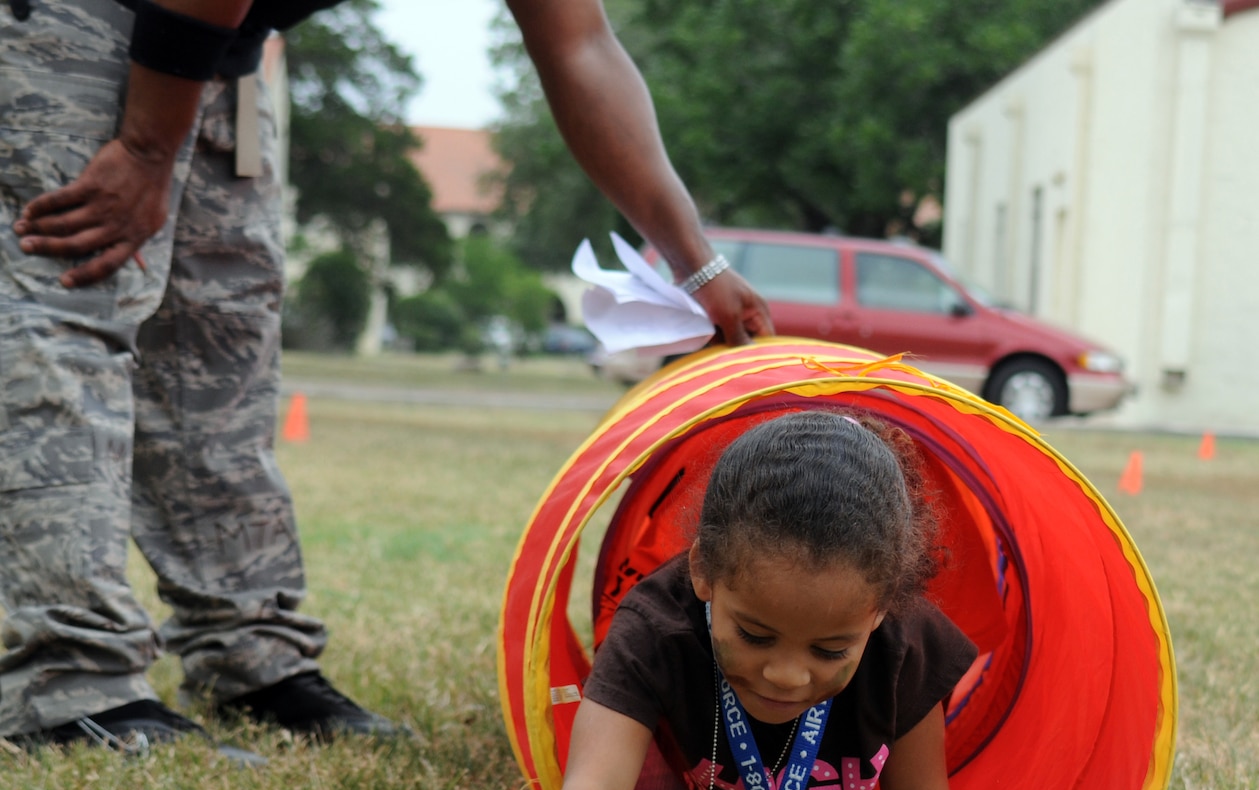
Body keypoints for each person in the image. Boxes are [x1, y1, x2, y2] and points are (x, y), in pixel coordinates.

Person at [1, 0, 772, 749]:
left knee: (222, 347)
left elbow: (580, 48)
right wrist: (143, 148)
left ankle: (252, 658)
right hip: (83, 22)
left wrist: (692, 258)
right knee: (72, 302)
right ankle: (68, 682)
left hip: (227, 51)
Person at [539, 411, 979, 790]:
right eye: (754, 634)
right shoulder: (653, 631)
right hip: (683, 778)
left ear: (879, 612)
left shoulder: (906, 645)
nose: (786, 674)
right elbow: (594, 789)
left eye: (829, 649)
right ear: (703, 571)